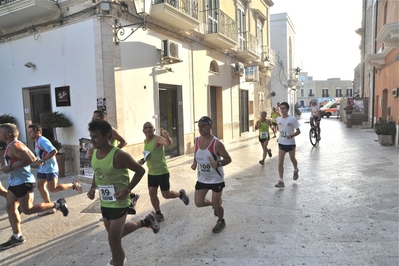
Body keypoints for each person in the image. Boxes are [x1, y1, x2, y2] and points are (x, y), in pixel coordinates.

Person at [86, 120, 159, 266]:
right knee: (116, 234)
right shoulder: (93, 152)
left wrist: (127, 190)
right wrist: (93, 188)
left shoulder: (118, 155)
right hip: (105, 201)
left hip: (120, 201)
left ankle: (118, 262)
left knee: (113, 239)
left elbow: (140, 170)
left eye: (95, 137)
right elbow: (97, 171)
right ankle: (146, 221)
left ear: (107, 136)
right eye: (91, 136)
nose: (92, 140)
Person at [0, 123, 68, 250]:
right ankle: (17, 236)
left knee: (27, 210)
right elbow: (31, 156)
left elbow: (29, 160)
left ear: (8, 134)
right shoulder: (15, 144)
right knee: (10, 207)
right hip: (15, 182)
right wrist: (37, 160)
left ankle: (58, 204)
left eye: (0, 132)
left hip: (24, 182)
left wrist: (10, 168)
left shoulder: (15, 146)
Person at [91, 110, 139, 216]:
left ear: (104, 119)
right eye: (93, 118)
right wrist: (92, 187)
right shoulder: (95, 130)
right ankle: (131, 197)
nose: (94, 120)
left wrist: (112, 153)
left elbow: (124, 142)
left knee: (117, 182)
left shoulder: (111, 131)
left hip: (113, 160)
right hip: (101, 157)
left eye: (96, 118)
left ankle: (129, 197)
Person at [139, 122, 189, 222]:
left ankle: (180, 194)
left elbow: (168, 143)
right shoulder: (145, 141)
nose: (148, 129)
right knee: (152, 193)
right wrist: (142, 160)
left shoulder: (157, 139)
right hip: (151, 173)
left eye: (150, 127)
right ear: (143, 131)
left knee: (166, 195)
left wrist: (167, 136)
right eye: (146, 127)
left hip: (162, 172)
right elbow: (148, 154)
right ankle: (158, 213)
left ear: (154, 130)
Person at [27, 124, 82, 216]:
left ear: (38, 132)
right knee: (40, 186)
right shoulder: (36, 141)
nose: (29, 134)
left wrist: (43, 160)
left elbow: (54, 151)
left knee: (53, 188)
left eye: (31, 132)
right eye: (28, 132)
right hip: (42, 168)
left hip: (50, 168)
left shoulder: (42, 140)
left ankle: (74, 185)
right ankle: (50, 207)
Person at [191, 116, 232, 233]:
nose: (200, 128)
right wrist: (194, 163)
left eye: (203, 126)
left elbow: (228, 159)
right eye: (199, 126)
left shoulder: (217, 143)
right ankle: (214, 204)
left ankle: (221, 220)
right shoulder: (196, 140)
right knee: (199, 203)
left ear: (210, 126)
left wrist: (218, 163)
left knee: (216, 202)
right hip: (202, 178)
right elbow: (196, 153)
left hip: (216, 179)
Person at [275, 103, 301, 188]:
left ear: (287, 109)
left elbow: (298, 131)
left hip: (290, 143)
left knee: (293, 159)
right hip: (282, 143)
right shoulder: (278, 119)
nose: (282, 110)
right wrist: (279, 137)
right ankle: (281, 181)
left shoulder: (292, 119)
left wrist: (291, 136)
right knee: (280, 162)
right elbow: (281, 130)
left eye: (283, 108)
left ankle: (296, 169)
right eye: (281, 108)